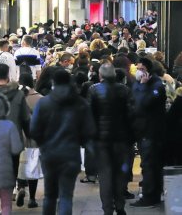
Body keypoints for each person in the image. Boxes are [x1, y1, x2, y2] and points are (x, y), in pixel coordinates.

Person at [30, 69, 96, 215]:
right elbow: (89, 130)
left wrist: (43, 143)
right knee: (66, 196)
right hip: (71, 155)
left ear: (53, 82)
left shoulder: (44, 103)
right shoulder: (80, 104)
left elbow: (34, 129)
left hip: (49, 154)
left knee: (50, 196)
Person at [87, 64, 135, 215]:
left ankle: (107, 209)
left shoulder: (93, 90)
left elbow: (89, 115)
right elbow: (131, 115)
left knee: (105, 175)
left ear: (100, 76)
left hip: (101, 140)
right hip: (122, 139)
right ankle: (120, 206)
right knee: (120, 174)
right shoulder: (125, 90)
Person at [0, 64, 30, 207]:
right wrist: (29, 135)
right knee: (12, 168)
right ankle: (12, 192)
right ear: (8, 75)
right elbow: (25, 118)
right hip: (13, 138)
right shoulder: (18, 94)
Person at [130, 57, 166, 207]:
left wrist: (143, 86)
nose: (139, 72)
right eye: (138, 69)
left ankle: (150, 196)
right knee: (149, 164)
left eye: (142, 69)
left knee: (150, 165)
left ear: (148, 71)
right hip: (142, 130)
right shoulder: (138, 84)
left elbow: (142, 104)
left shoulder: (156, 86)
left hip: (151, 131)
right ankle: (153, 194)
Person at [18, 73, 43, 208]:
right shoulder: (40, 98)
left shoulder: (17, 97)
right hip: (34, 136)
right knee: (33, 166)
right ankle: (32, 198)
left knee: (19, 164)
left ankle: (21, 186)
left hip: (18, 135)